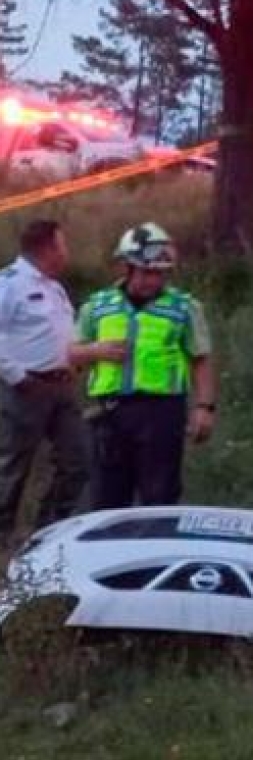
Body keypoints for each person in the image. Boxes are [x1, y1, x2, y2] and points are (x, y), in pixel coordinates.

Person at [77, 224, 216, 508]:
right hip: (111, 413)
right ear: (127, 267)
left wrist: (205, 407)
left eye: (160, 273)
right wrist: (95, 350)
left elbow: (200, 358)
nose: (153, 281)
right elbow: (71, 352)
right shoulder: (98, 306)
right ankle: (112, 552)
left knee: (160, 497)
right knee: (107, 500)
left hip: (162, 413)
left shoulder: (184, 307)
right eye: (146, 272)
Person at [0, 221, 108, 537]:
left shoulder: (55, 288)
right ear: (46, 248)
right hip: (26, 388)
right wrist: (16, 376)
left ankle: (46, 530)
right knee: (14, 467)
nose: (66, 253)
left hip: (62, 387)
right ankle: (3, 536)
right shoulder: (9, 285)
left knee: (78, 461)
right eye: (63, 245)